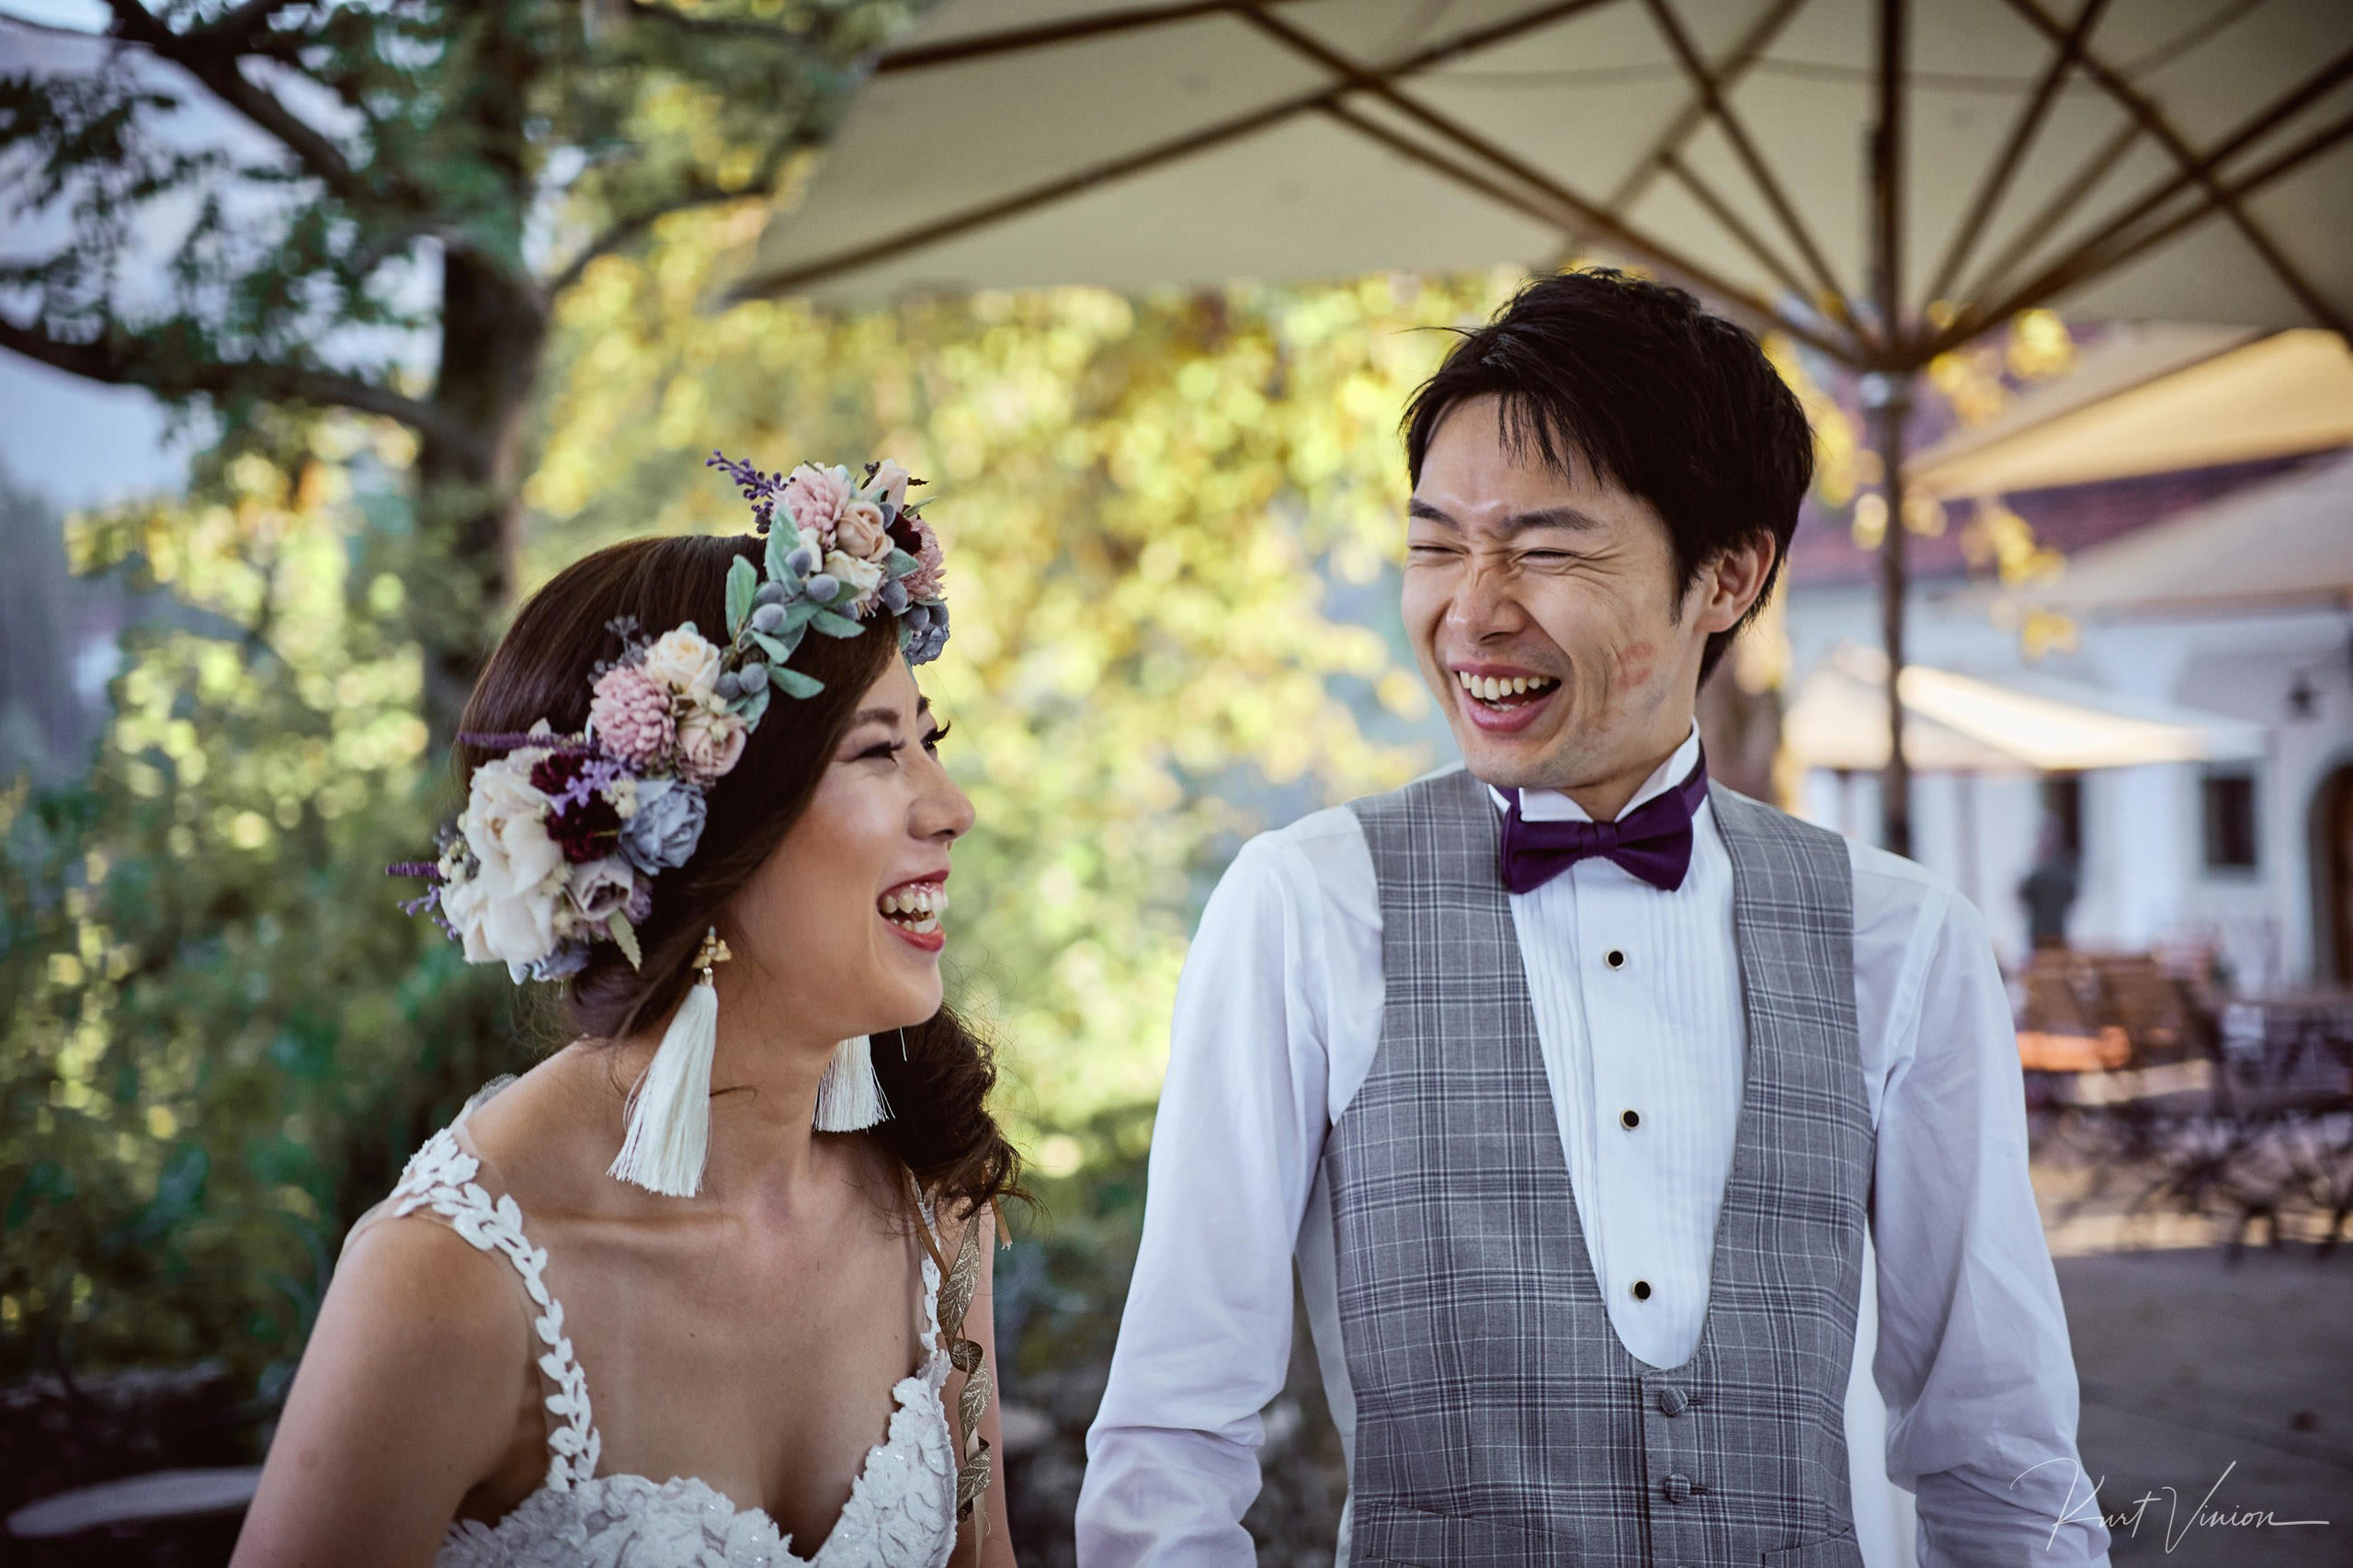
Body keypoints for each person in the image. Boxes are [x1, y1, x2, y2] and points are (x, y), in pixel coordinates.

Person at [1074, 272, 2109, 1567]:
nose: (1473, 608)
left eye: (1547, 546)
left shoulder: (1903, 939)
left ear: (1728, 574)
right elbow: (1168, 1452)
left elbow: (2002, 1455)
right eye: (1437, 543)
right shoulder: (1304, 906)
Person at [234, 457, 1018, 1568]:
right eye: (881, 751)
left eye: (928, 742)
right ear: (709, 833)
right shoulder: (449, 1282)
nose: (953, 807)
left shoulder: (935, 1207)